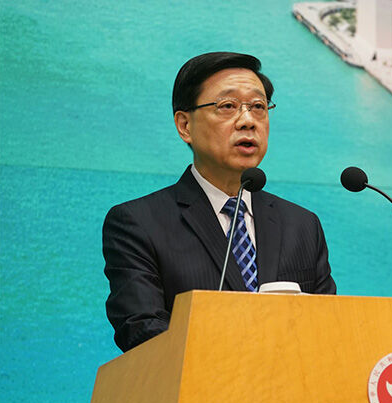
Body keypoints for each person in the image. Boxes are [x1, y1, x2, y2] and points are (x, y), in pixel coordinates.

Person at [102, 52, 336, 352]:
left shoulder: (302, 225)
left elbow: (329, 328)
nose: (248, 121)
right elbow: (141, 330)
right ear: (185, 125)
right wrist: (240, 357)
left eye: (258, 107)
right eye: (227, 106)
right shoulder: (138, 223)